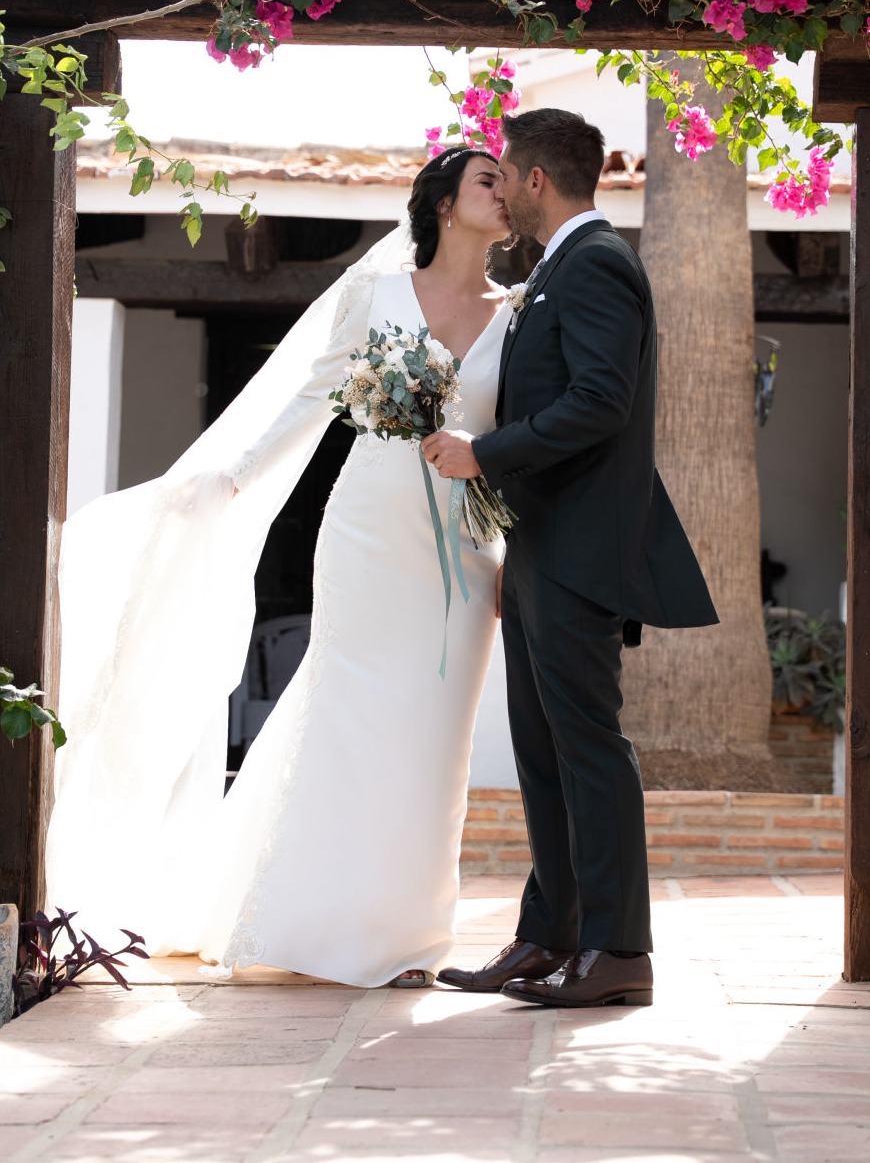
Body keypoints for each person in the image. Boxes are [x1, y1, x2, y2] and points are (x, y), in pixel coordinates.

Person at [45, 147, 512, 988]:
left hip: (465, 544)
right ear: (444, 202)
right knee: (347, 715)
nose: (506, 193)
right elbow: (314, 396)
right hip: (368, 529)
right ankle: (311, 920)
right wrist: (238, 471)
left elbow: (523, 432)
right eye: (489, 180)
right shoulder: (376, 293)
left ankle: (405, 935)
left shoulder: (517, 314)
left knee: (436, 737)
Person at [422, 109, 718, 1008]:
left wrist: (486, 452)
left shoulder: (594, 265)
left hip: (587, 553)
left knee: (588, 747)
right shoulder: (563, 269)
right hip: (549, 547)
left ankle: (619, 950)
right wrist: (519, 539)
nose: (500, 189)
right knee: (545, 751)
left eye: (504, 174)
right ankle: (547, 937)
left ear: (537, 180)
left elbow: (598, 402)